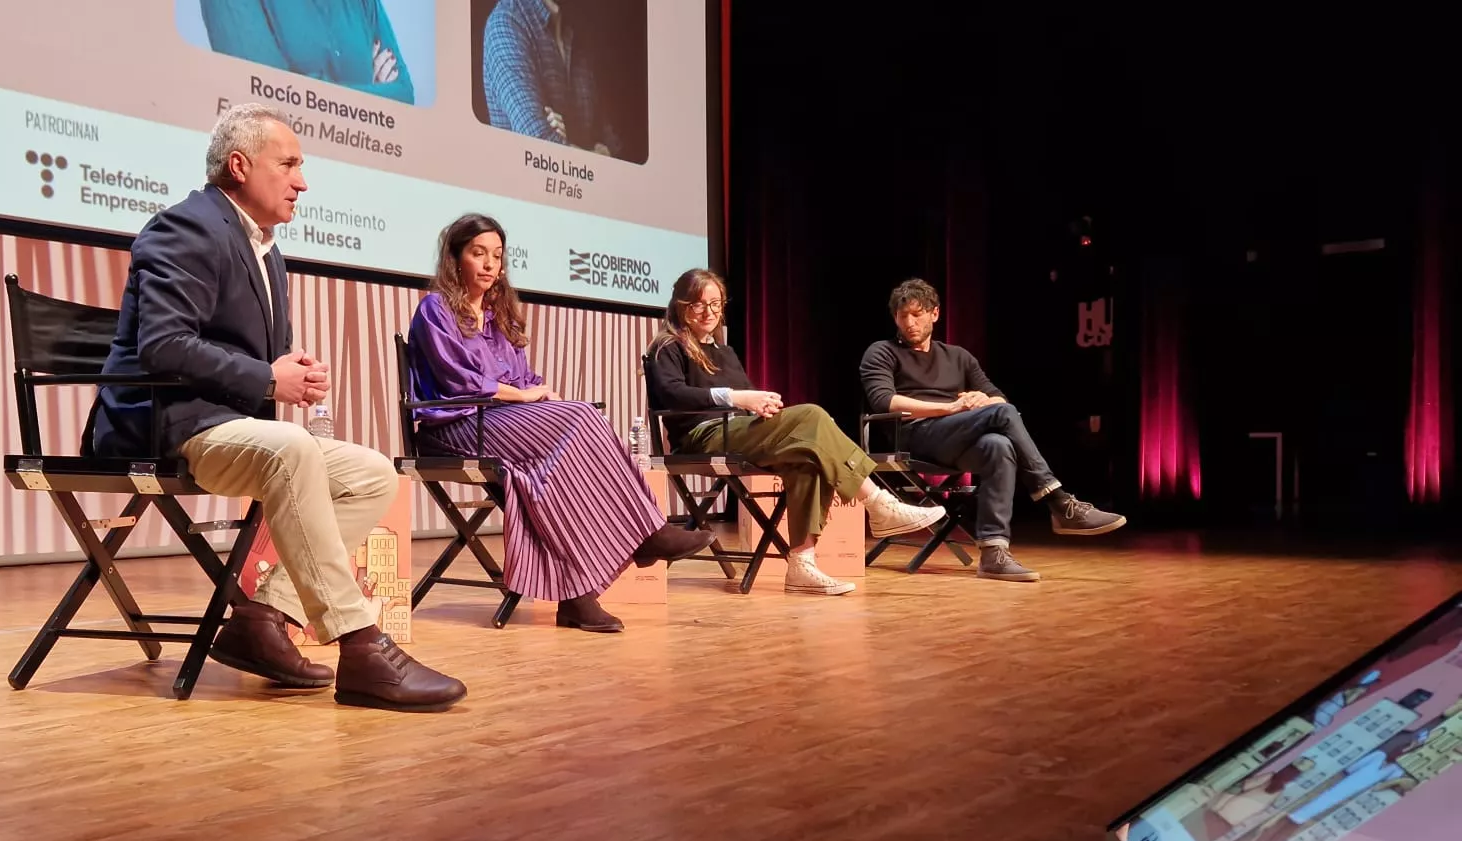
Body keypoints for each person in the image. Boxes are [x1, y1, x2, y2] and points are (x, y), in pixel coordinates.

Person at [88, 102, 464, 712]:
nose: (303, 181)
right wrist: (268, 377)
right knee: (292, 450)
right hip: (167, 426)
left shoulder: (267, 249)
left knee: (372, 472)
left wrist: (291, 374)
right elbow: (163, 345)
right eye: (288, 164)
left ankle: (263, 619)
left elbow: (241, 356)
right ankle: (361, 645)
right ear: (239, 166)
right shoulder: (185, 228)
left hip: (226, 425)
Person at [406, 213, 714, 632]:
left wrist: (540, 391)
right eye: (478, 254)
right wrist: (525, 396)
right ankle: (646, 535)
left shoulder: (497, 316)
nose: (490, 264)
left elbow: (520, 378)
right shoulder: (436, 309)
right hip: (456, 427)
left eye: (497, 255)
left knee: (562, 457)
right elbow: (459, 381)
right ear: (455, 258)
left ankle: (579, 596)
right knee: (580, 420)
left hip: (499, 423)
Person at [648, 269, 949, 595]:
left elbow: (747, 399)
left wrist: (761, 405)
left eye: (716, 304)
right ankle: (878, 503)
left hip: (737, 431)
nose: (709, 313)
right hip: (702, 436)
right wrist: (738, 398)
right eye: (699, 305)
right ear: (681, 305)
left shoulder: (724, 351)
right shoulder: (668, 345)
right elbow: (672, 394)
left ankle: (802, 565)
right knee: (812, 415)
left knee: (809, 456)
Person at [859, 278, 1126, 581]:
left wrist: (981, 398)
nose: (909, 322)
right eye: (902, 315)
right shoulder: (881, 352)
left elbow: (998, 398)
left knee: (999, 445)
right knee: (1001, 414)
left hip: (955, 435)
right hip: (913, 434)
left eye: (917, 313)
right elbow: (884, 401)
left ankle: (993, 553)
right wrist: (949, 408)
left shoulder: (958, 356)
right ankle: (1059, 502)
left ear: (935, 313)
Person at [200, 0, 416, 105]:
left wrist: (308, 86)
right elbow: (267, 97)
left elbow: (403, 95)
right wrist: (374, 96)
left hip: (359, 176)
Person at [479, 0, 621, 156]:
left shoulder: (578, 29)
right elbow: (537, 142)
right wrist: (595, 156)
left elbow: (612, 144)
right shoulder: (507, 22)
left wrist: (600, 154)